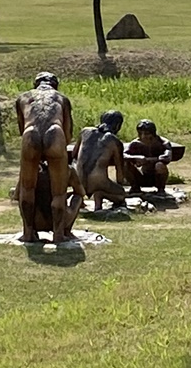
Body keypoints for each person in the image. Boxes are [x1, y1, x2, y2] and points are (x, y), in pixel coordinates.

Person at [15, 72, 81, 243]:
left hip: (30, 133)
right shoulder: (61, 98)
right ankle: (58, 234)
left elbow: (21, 129)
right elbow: (67, 134)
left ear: (35, 84)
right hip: (55, 132)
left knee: (27, 188)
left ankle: (28, 233)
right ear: (55, 85)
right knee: (58, 192)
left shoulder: (23, 98)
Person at [76, 109, 129, 212]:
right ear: (118, 126)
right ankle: (100, 195)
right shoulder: (114, 141)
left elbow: (74, 154)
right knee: (121, 195)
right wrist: (119, 187)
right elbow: (119, 173)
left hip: (79, 181)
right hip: (98, 183)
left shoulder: (84, 131)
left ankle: (80, 196)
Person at [123, 119, 184, 194]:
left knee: (160, 165)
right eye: (140, 133)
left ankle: (161, 189)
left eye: (146, 134)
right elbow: (123, 155)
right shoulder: (135, 143)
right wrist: (135, 158)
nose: (143, 136)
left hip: (157, 177)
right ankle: (135, 187)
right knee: (125, 165)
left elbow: (167, 157)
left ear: (153, 134)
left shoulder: (163, 143)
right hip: (142, 176)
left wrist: (146, 160)